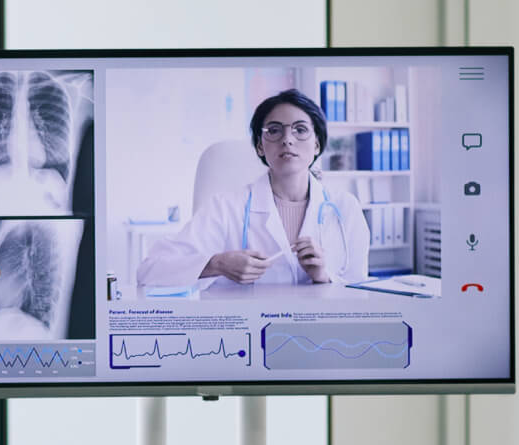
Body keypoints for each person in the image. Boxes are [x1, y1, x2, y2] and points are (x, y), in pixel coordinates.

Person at [136, 89, 370, 293]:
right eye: (274, 130)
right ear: (260, 145)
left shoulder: (345, 208)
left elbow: (362, 292)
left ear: (317, 144)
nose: (287, 139)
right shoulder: (225, 208)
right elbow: (149, 270)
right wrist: (216, 264)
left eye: (300, 129)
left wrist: (324, 276)